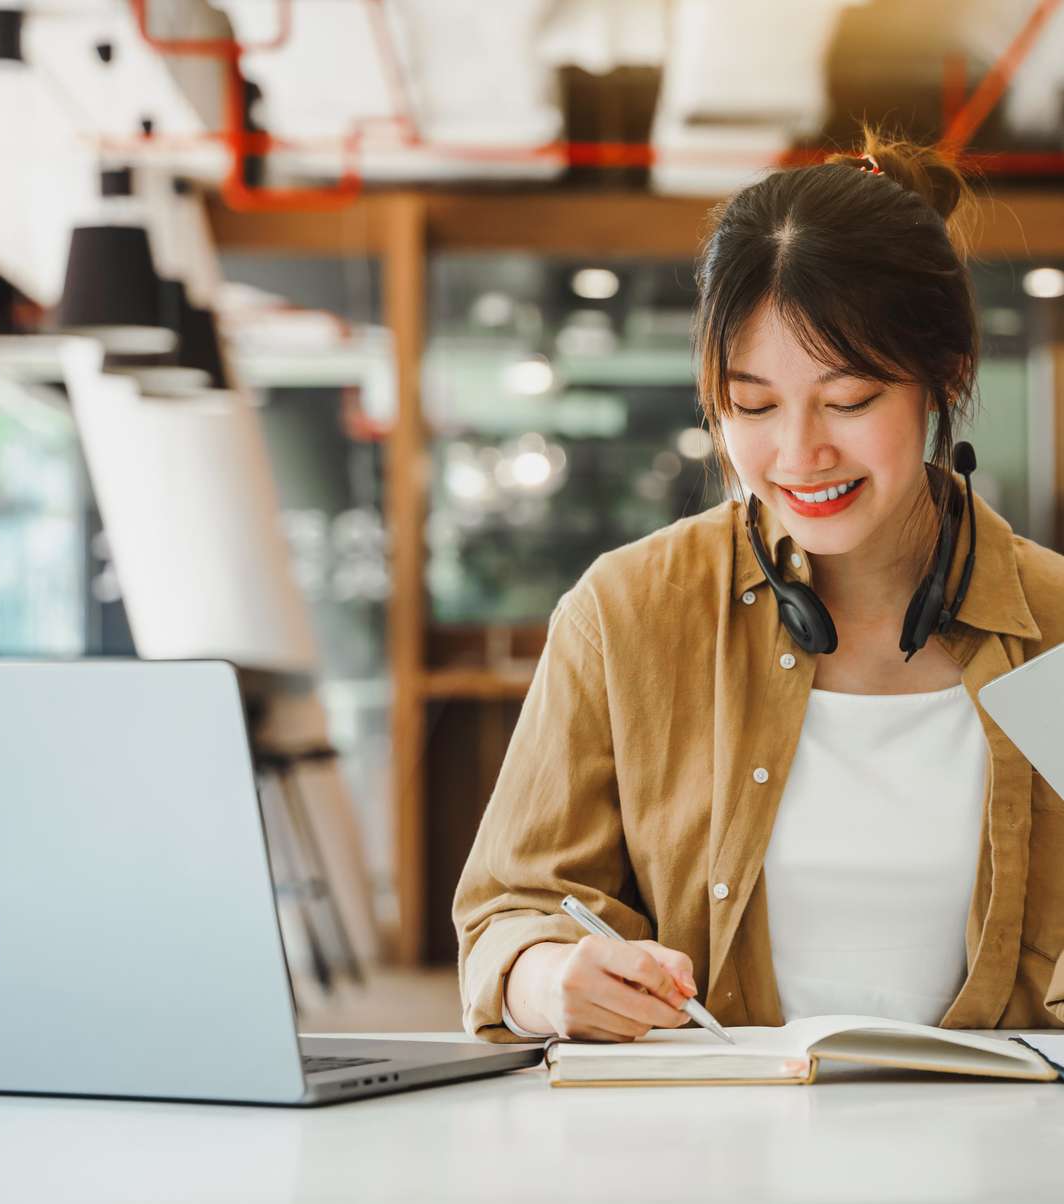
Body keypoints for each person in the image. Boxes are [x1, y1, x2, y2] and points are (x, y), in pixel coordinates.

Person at [452, 128, 1064, 1043]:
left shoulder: (1055, 627)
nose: (799, 454)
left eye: (849, 401)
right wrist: (547, 980)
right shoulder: (626, 616)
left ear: (947, 376)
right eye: (754, 404)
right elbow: (509, 910)